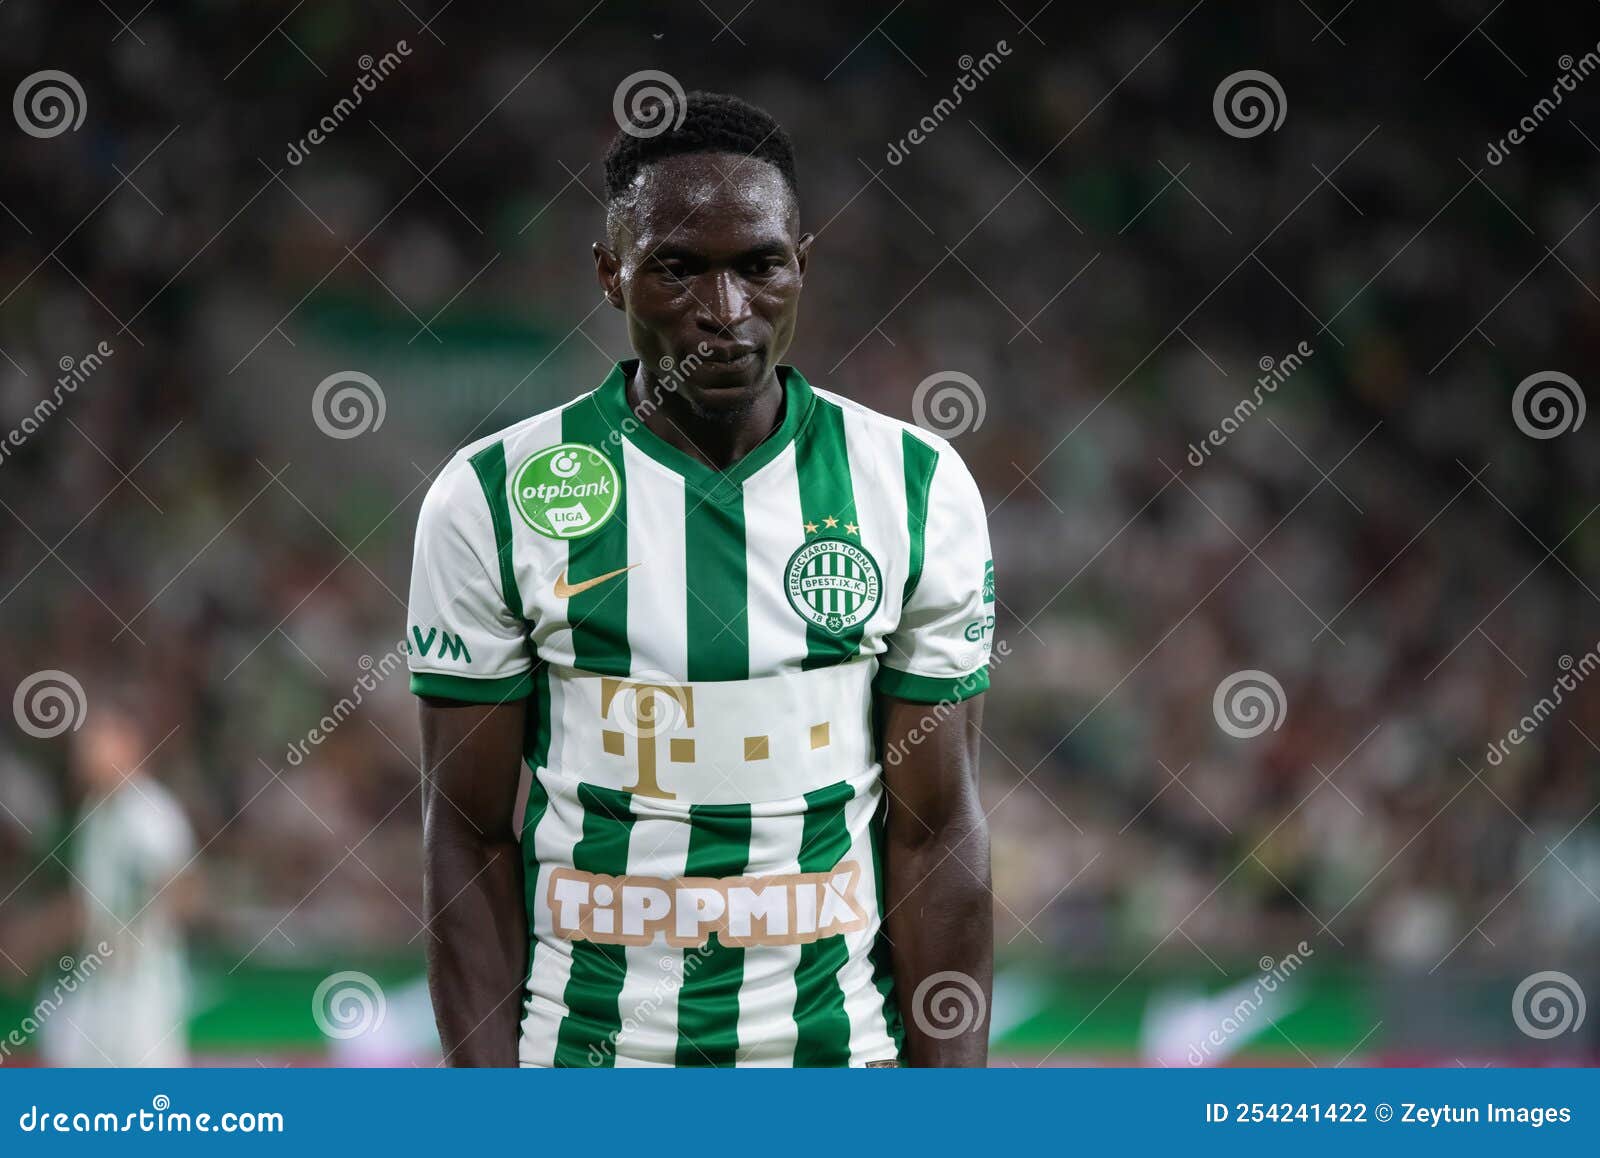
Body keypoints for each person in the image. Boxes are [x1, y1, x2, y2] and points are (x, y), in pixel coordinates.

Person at [409, 91, 993, 1067]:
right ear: (610, 276)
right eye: (677, 270)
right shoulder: (492, 498)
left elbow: (936, 833)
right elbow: (467, 837)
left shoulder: (915, 487)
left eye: (759, 266)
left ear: (800, 266)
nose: (724, 313)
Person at [42, 703, 197, 1067]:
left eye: (97, 741)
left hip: (145, 985)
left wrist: (144, 917)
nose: (85, 752)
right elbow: (88, 901)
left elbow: (187, 888)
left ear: (129, 744)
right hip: (98, 979)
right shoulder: (93, 814)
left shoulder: (148, 812)